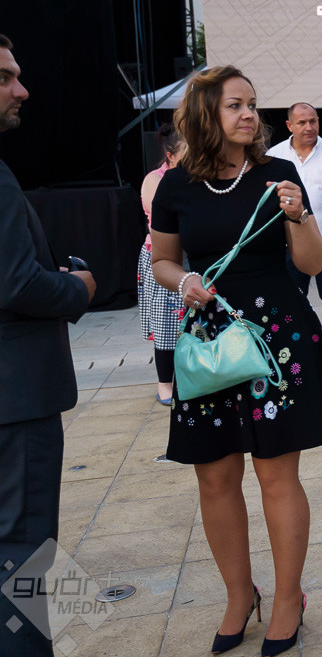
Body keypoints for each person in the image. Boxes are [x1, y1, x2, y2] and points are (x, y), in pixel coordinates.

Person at [150, 65, 322, 656]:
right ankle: (239, 596)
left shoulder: (277, 174)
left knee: (275, 473)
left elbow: (313, 263)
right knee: (215, 476)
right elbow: (162, 260)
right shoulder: (175, 186)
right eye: (235, 105)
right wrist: (184, 280)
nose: (249, 114)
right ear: (205, 114)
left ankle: (288, 599)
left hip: (277, 338)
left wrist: (298, 216)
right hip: (211, 339)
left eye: (252, 104)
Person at [0, 34, 95, 657]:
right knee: (26, 557)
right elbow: (17, 284)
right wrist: (77, 287)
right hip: (17, 402)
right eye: (4, 77)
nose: (22, 89)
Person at [266, 102, 322, 378]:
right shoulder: (274, 156)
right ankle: (298, 356)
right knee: (292, 303)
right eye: (302, 122)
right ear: (289, 125)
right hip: (289, 245)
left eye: (313, 121)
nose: (309, 127)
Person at [139, 122, 185, 404]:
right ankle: (164, 384)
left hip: (191, 256)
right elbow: (164, 220)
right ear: (170, 155)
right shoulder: (154, 180)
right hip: (163, 257)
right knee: (167, 323)